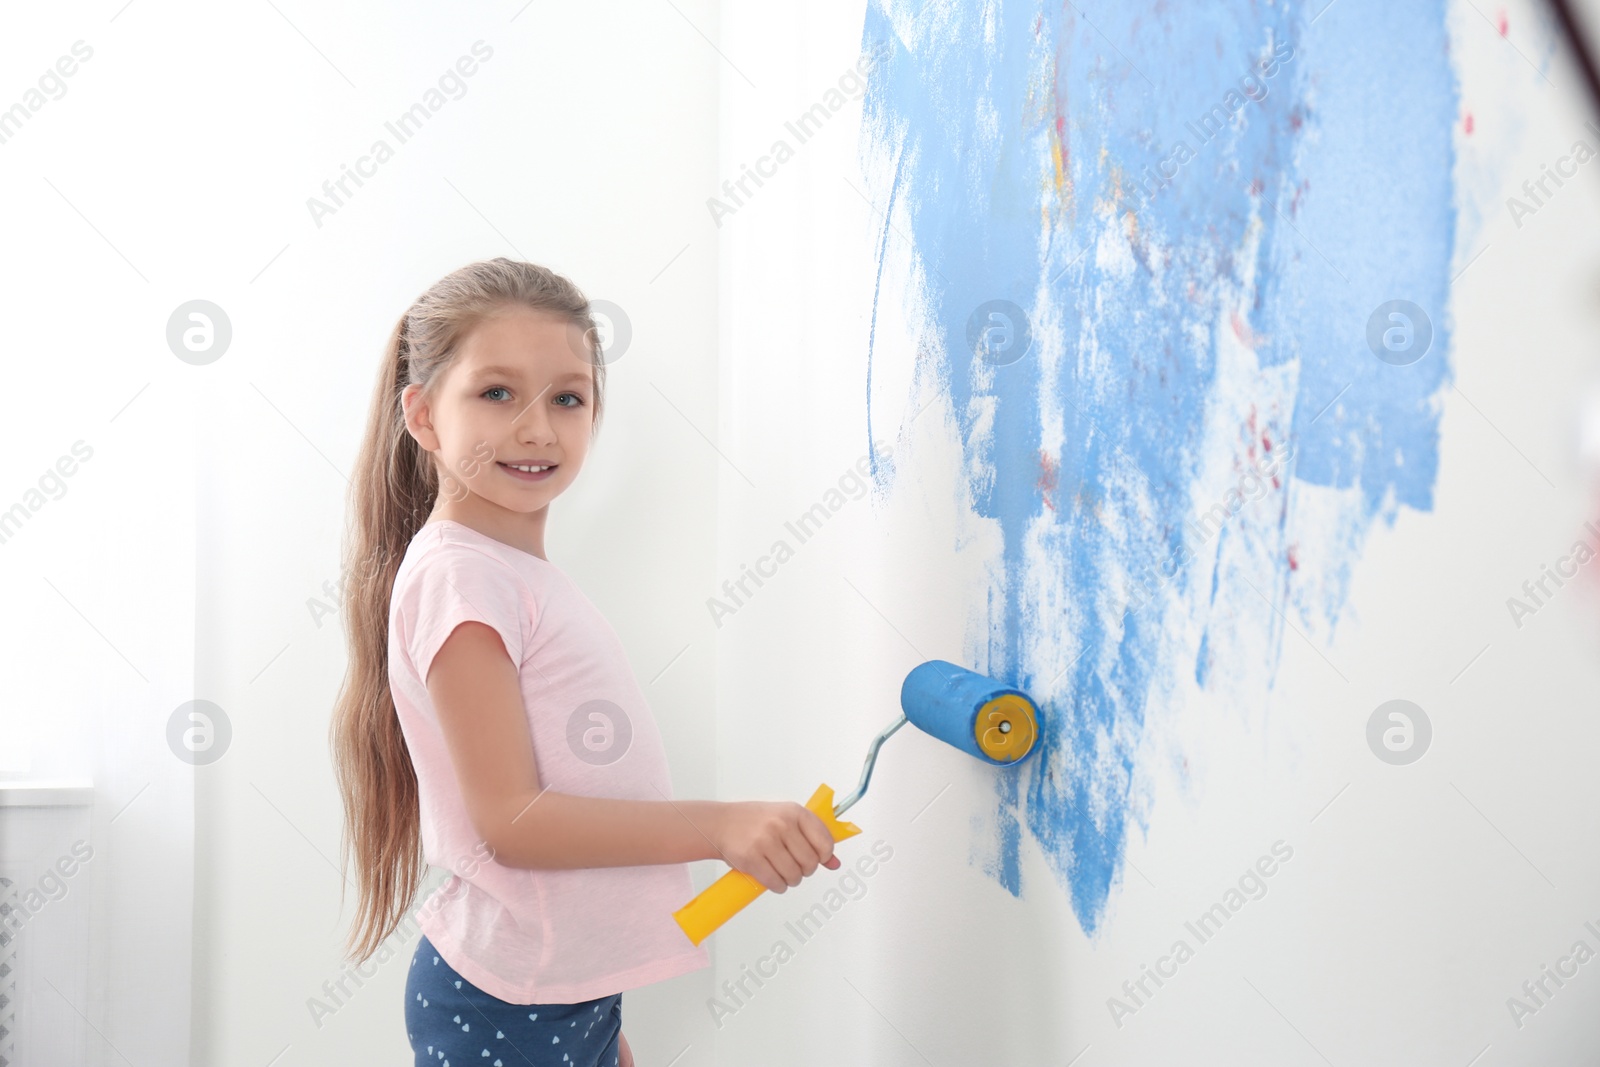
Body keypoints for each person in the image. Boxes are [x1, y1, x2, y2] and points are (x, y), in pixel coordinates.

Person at [328, 258, 840, 1067]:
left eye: (567, 397)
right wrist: (721, 826)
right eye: (497, 392)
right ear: (423, 416)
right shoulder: (463, 578)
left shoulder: (508, 573)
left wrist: (599, 1011)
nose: (537, 426)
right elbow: (514, 823)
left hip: (551, 992)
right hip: (510, 1001)